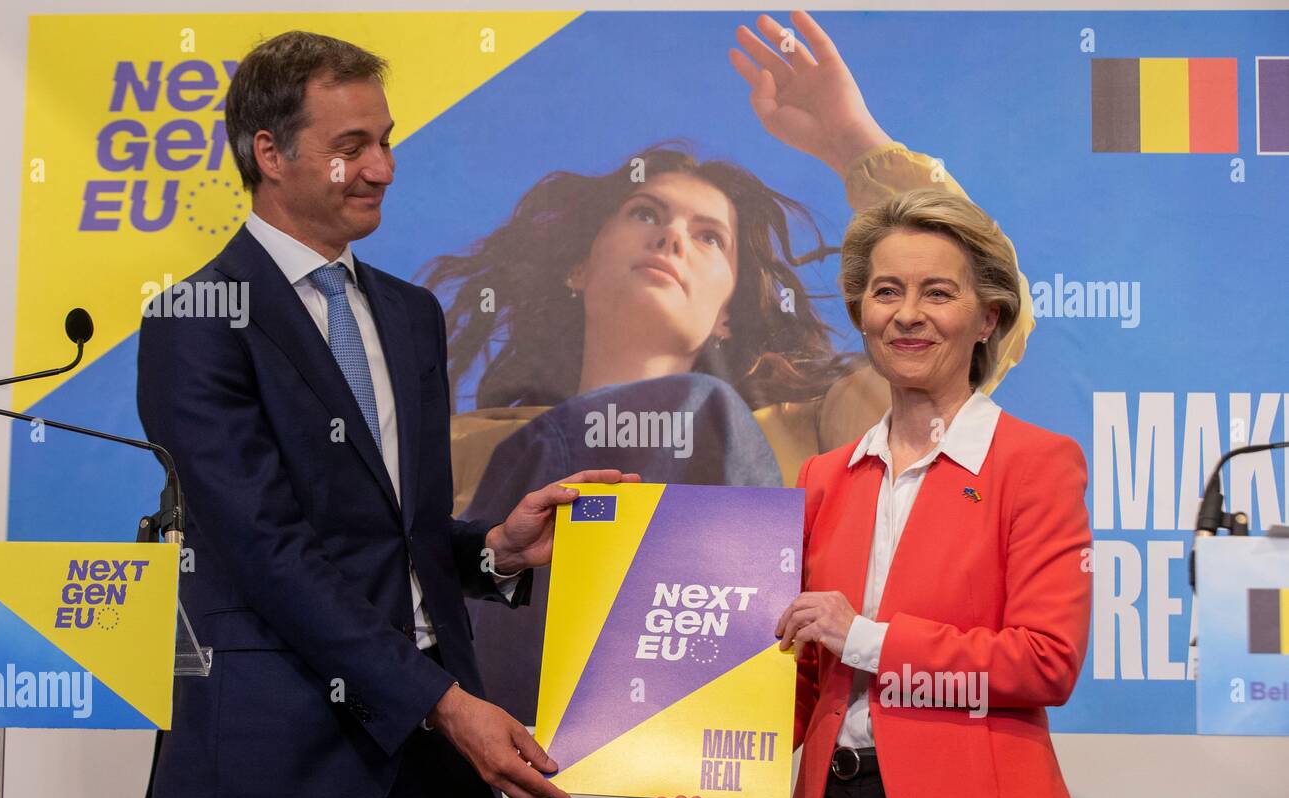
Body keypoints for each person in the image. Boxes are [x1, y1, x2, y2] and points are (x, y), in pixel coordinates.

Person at [438, 10, 1038, 724]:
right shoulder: (466, 443)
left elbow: (979, 315)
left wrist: (853, 142)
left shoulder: (818, 434)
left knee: (701, 407)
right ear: (578, 266)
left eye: (709, 236)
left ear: (727, 309)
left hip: (719, 740)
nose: (671, 237)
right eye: (644, 213)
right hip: (510, 732)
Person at [136, 31, 634, 798]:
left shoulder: (409, 315)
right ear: (270, 152)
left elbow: (393, 534)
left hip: (431, 782)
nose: (383, 168)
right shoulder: (197, 320)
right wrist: (444, 703)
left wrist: (495, 552)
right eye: (351, 147)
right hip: (274, 778)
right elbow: (269, 554)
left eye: (387, 139)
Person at [770, 185, 1092, 798]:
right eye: (886, 292)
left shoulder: (1037, 463)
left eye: (938, 293)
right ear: (861, 312)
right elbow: (805, 672)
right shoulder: (822, 477)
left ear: (987, 319)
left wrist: (865, 638)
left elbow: (1045, 663)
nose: (907, 316)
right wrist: (713, 760)